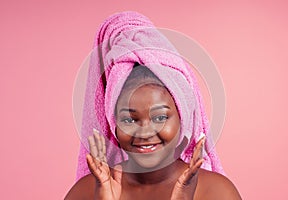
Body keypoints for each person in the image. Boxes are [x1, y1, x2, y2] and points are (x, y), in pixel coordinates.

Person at [65, 11, 241, 200]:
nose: (144, 133)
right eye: (129, 119)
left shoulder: (215, 192)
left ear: (183, 118)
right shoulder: (87, 192)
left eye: (160, 117)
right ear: (113, 123)